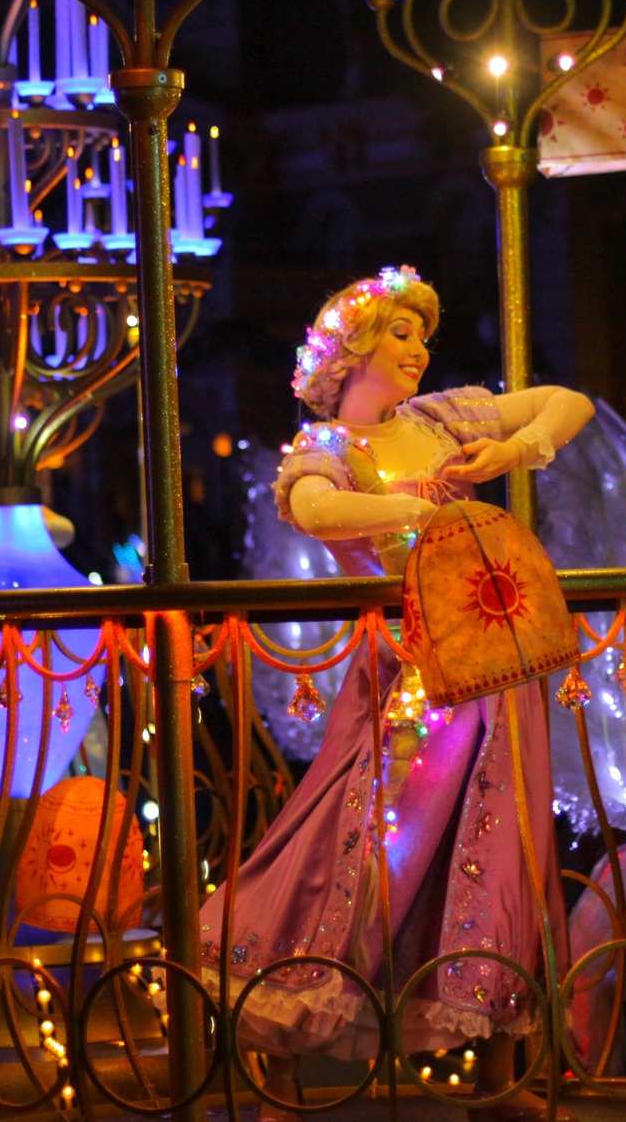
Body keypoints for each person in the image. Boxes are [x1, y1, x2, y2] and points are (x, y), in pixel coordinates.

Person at [200, 268, 596, 1120]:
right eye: (401, 334)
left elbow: (566, 402)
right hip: (407, 673)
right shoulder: (324, 449)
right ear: (353, 349)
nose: (419, 350)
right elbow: (316, 511)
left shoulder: (442, 418)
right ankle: (280, 1045)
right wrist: (412, 509)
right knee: (362, 850)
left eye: (423, 335)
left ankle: (495, 1067)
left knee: (496, 851)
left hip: (490, 663)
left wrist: (515, 451)